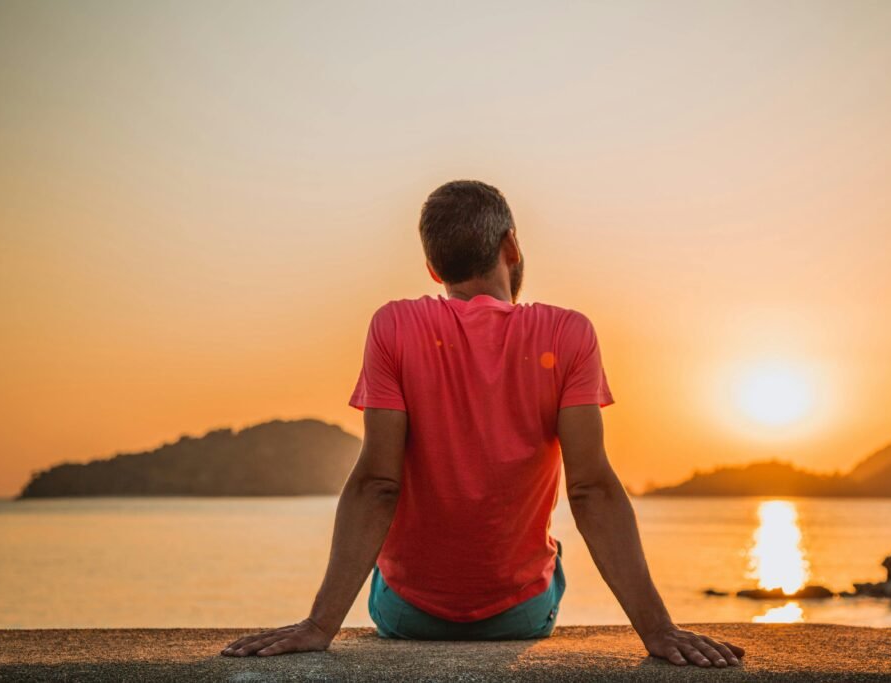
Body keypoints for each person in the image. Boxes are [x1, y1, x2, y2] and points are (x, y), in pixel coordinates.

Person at [222, 180, 746, 667]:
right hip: (518, 616)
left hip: (409, 615)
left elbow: (377, 484)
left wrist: (319, 624)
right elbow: (591, 490)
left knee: (393, 569)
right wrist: (658, 630)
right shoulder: (569, 334)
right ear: (511, 246)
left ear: (433, 267)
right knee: (551, 552)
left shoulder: (394, 325)